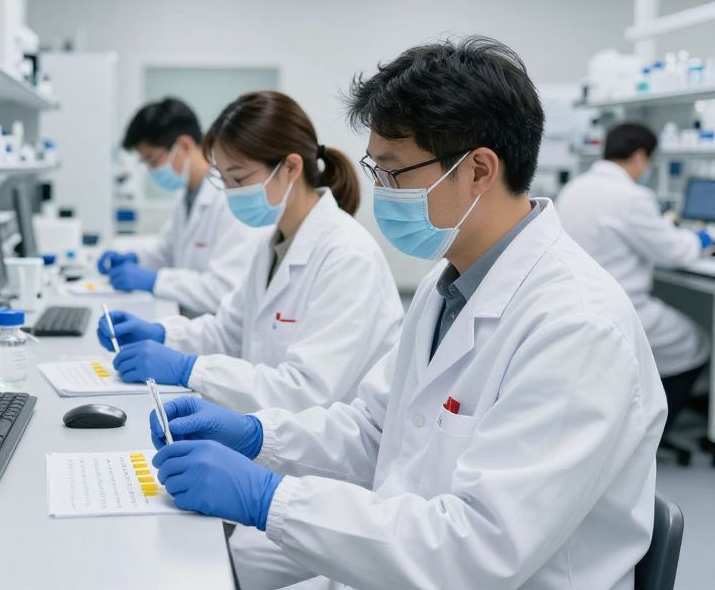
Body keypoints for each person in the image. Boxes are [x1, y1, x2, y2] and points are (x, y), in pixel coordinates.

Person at [146, 38, 666, 590]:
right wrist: (256, 435)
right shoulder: (450, 286)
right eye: (376, 171)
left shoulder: (576, 325)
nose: (380, 193)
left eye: (394, 173)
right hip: (406, 559)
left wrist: (270, 499)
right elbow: (373, 429)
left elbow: (480, 546)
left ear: (479, 170)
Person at [97, 90, 404, 415]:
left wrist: (190, 369)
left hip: (322, 457)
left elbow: (304, 390)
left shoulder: (348, 257)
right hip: (274, 433)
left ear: (290, 167)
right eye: (224, 180)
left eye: (240, 178)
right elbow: (229, 331)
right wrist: (163, 335)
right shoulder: (273, 241)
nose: (230, 194)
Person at [556, 122, 713, 441]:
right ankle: (650, 432)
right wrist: (706, 235)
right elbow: (675, 252)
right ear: (640, 156)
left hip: (575, 304)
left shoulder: (577, 187)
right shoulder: (632, 196)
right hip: (620, 310)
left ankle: (633, 421)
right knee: (697, 343)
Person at [97, 98, 265, 316]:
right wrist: (134, 258)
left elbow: (224, 289)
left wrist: (154, 280)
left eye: (152, 160)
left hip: (216, 333)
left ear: (184, 146)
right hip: (190, 323)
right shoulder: (188, 195)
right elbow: (167, 250)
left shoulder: (229, 198)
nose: (150, 170)